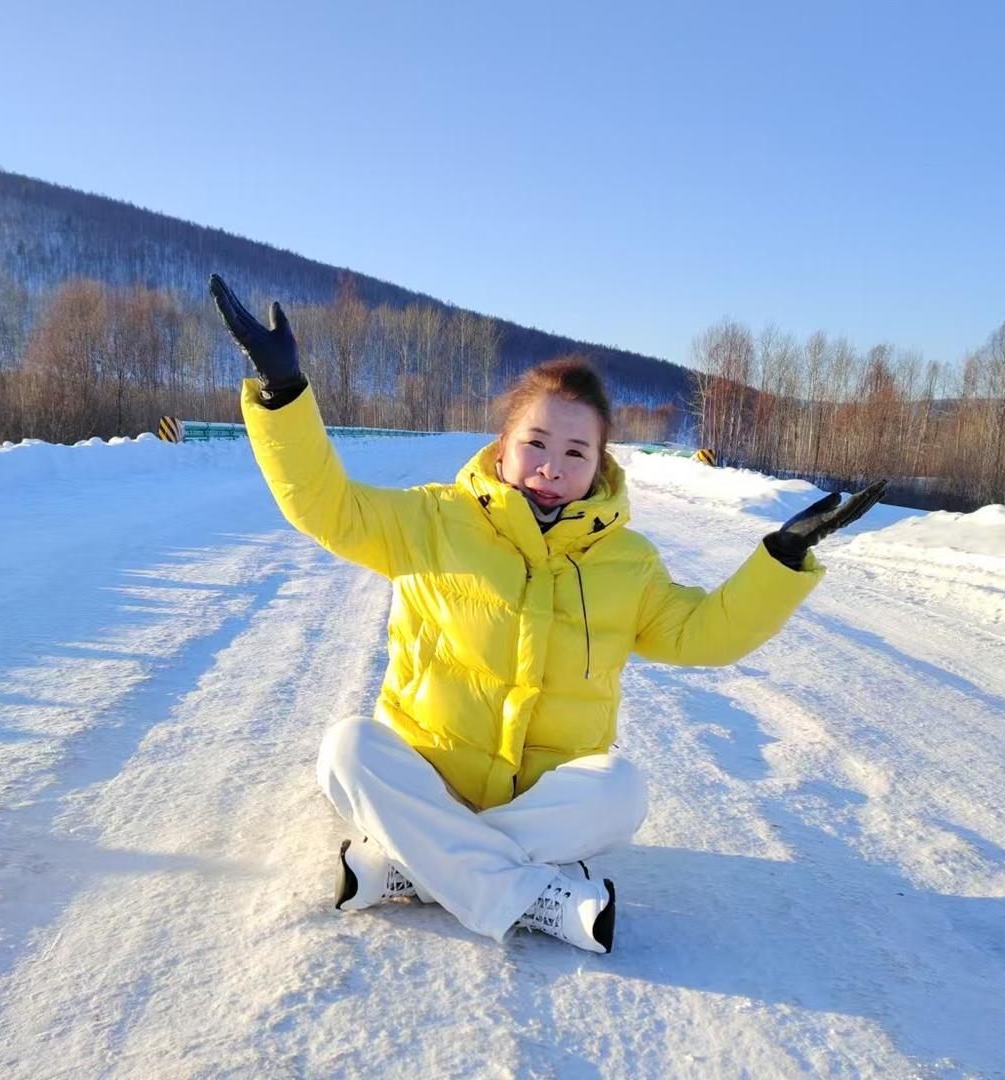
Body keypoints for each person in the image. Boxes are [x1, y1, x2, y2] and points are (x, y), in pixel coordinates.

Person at [209, 274, 886, 954]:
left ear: (599, 467)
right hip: (426, 773)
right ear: (502, 444)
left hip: (539, 803)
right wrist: (283, 395)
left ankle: (414, 866)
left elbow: (706, 633)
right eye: (535, 443)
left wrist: (783, 555)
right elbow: (325, 505)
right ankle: (531, 897)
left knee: (621, 791)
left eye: (574, 452)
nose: (550, 467)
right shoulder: (432, 519)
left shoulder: (629, 563)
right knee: (347, 750)